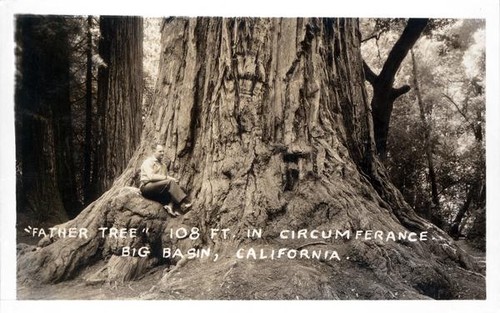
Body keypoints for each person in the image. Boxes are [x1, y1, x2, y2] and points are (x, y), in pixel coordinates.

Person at [140, 144, 192, 216]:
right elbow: (151, 177)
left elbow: (165, 178)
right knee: (170, 182)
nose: (162, 153)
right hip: (147, 187)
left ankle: (171, 207)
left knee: (178, 187)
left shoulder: (163, 165)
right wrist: (168, 178)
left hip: (159, 190)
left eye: (163, 151)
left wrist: (172, 180)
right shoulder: (148, 162)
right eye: (160, 151)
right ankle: (185, 202)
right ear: (154, 152)